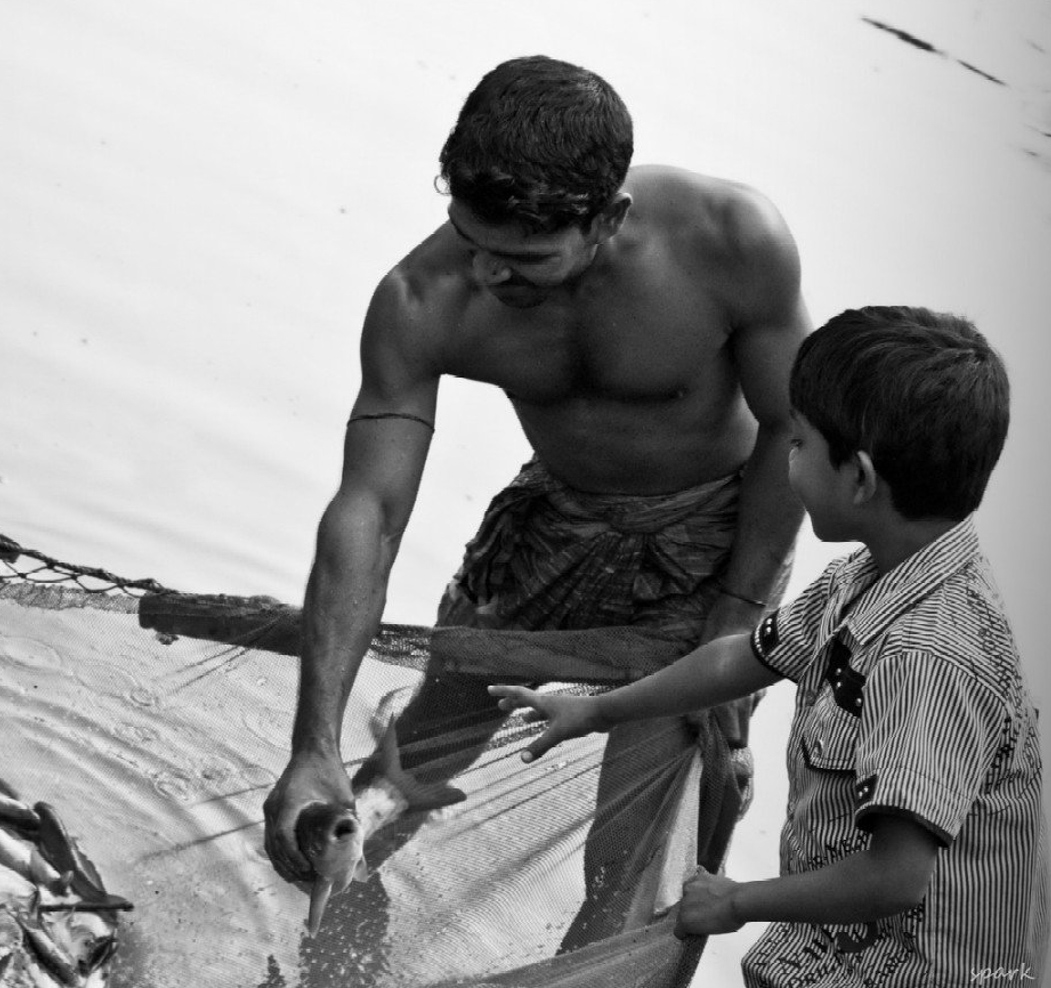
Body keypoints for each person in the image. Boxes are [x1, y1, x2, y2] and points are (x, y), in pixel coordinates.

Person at [263, 54, 810, 945]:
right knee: (401, 774)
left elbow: (795, 428)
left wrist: (736, 619)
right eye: (471, 241)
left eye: (524, 260)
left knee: (628, 862)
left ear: (608, 219)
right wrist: (311, 742)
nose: (488, 274)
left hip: (716, 546)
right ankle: (330, 942)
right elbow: (370, 512)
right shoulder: (418, 299)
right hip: (551, 521)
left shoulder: (730, 241)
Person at [490, 306, 1048, 984]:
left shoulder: (930, 655)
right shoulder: (866, 575)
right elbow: (742, 658)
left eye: (800, 444)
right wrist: (597, 710)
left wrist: (736, 902)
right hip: (832, 954)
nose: (787, 458)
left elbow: (896, 877)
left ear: (860, 479)